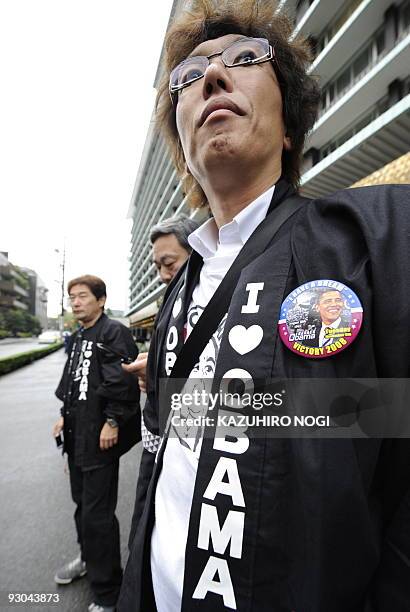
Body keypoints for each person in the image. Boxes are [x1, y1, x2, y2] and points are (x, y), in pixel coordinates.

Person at [118, 2, 410, 611]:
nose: (214, 78)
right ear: (184, 142)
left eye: (245, 61)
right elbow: (162, 457)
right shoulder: (177, 300)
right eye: (191, 75)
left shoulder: (374, 241)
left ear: (287, 129)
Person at [52, 275, 140, 612]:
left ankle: (108, 592)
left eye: (83, 296)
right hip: (77, 437)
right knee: (82, 506)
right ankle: (89, 559)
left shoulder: (112, 331)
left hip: (101, 437)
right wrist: (64, 416)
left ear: (101, 300)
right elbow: (73, 385)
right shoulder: (78, 338)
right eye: (72, 296)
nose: (75, 302)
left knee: (98, 515)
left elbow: (123, 381)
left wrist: (113, 420)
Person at [126, 214, 200, 393]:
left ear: (199, 252)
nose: (163, 276)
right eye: (158, 267)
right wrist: (155, 363)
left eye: (169, 263)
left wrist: (158, 373)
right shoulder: (170, 307)